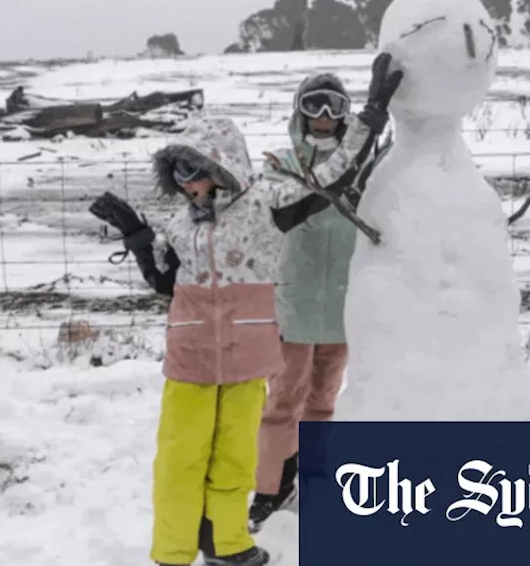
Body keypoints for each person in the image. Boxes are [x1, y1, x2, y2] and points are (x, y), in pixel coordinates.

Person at [87, 54, 402, 566]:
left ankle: (228, 543)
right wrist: (140, 238)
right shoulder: (181, 227)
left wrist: (371, 116)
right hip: (190, 363)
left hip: (245, 361)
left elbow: (332, 177)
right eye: (179, 173)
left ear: (223, 166)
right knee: (180, 457)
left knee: (233, 457)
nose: (189, 183)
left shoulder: (265, 206)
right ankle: (172, 551)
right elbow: (166, 284)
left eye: (197, 169)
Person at [247, 72, 389, 532]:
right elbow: (279, 206)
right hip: (295, 299)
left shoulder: (369, 168)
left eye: (334, 106)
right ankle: (268, 490)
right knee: (283, 400)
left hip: (346, 300)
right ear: (299, 109)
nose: (324, 117)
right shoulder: (281, 164)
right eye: (315, 105)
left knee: (324, 401)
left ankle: (311, 477)